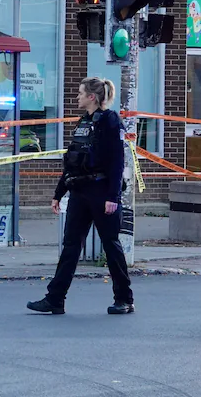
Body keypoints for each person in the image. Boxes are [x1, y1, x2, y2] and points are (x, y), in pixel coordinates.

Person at [27, 77, 134, 315]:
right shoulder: (84, 122)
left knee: (111, 245)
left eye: (80, 93)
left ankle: (124, 298)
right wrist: (59, 193)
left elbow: (117, 162)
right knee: (71, 246)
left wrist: (113, 197)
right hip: (79, 192)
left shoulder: (110, 121)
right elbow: (72, 160)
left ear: (92, 97)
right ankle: (55, 299)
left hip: (101, 192)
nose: (77, 97)